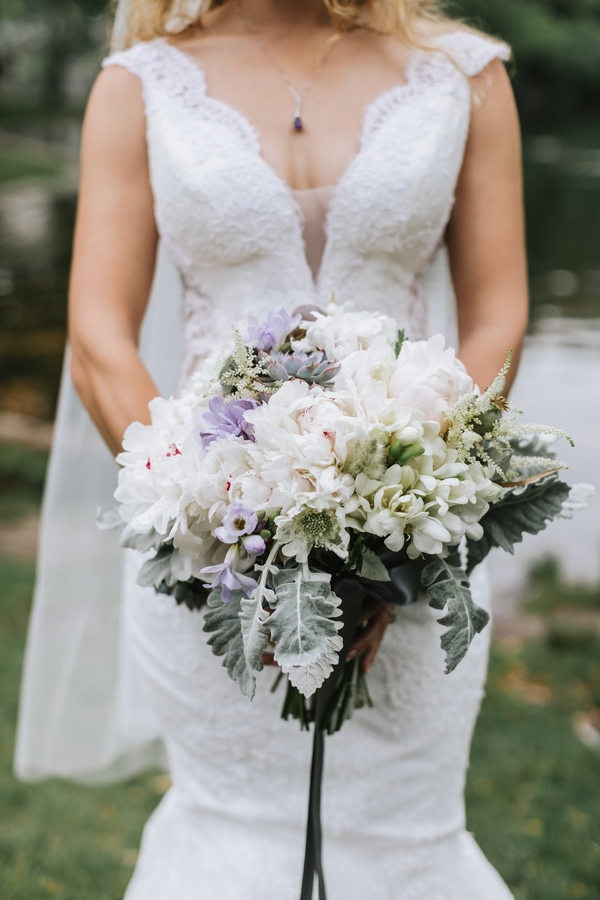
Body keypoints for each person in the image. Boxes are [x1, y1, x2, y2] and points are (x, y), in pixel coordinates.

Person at [17, 0, 529, 897]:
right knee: (231, 839)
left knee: (404, 840)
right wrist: (212, 520)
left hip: (415, 536)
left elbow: (499, 318)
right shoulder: (139, 87)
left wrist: (401, 529)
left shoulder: (466, 77)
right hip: (214, 551)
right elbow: (99, 339)